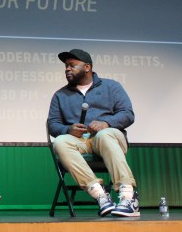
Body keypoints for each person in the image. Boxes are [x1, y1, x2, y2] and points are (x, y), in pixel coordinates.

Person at [47, 49, 140, 217]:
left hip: (108, 138)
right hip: (80, 142)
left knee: (105, 135)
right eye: (66, 66)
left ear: (87, 67)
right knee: (60, 142)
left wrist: (107, 123)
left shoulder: (111, 86)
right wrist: (68, 130)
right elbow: (53, 125)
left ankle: (129, 197)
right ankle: (101, 196)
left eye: (72, 65)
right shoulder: (60, 95)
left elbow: (128, 114)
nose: (67, 69)